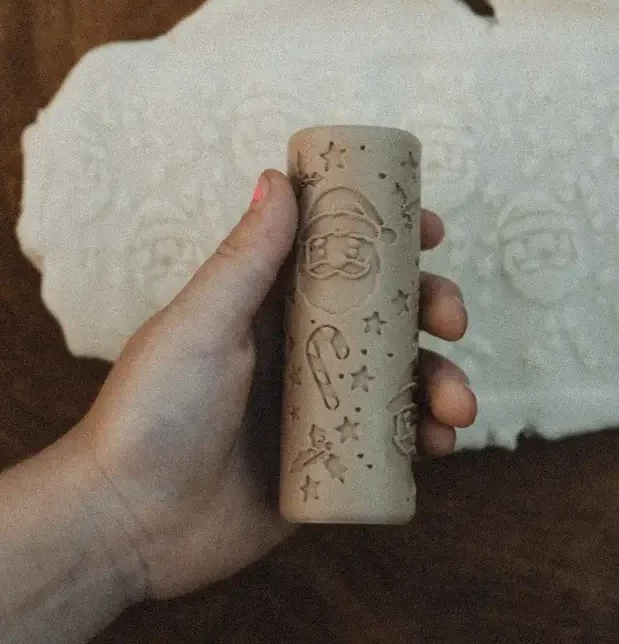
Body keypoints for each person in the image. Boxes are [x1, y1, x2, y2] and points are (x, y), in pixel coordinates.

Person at [0, 170, 476, 644]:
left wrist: (120, 517)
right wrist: (119, 509)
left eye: (355, 250)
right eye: (329, 247)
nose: (342, 258)